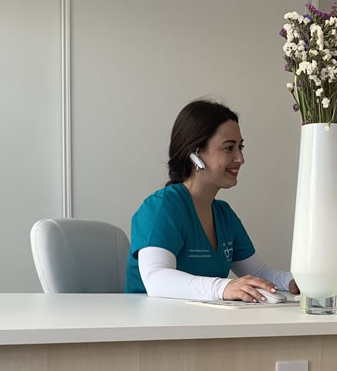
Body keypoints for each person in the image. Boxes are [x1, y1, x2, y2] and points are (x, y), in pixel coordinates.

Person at [125, 99, 299, 302]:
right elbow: (157, 279)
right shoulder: (161, 207)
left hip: (199, 318)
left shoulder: (224, 214)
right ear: (195, 153)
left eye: (240, 147)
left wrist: (292, 281)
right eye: (229, 148)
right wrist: (223, 287)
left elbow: (258, 272)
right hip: (151, 321)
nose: (240, 158)